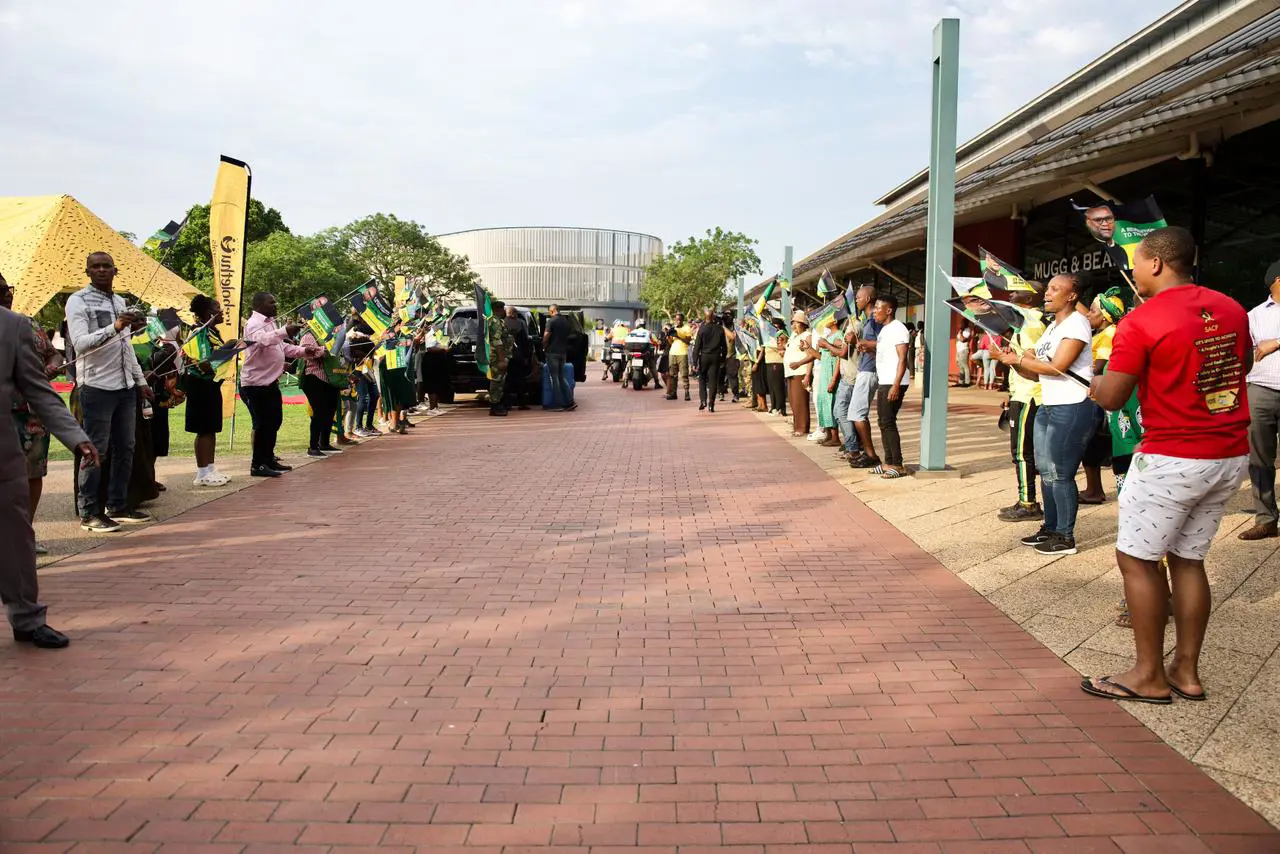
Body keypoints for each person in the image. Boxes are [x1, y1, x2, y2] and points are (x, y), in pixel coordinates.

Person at [1084, 226, 1250, 705]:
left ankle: (1147, 675)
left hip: (1173, 455)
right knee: (1189, 559)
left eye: (1136, 262)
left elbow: (1114, 397)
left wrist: (1094, 382)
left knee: (1136, 561)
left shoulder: (1142, 319)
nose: (1133, 271)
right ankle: (1186, 671)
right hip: (1227, 453)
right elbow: (1234, 368)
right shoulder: (1231, 308)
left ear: (1156, 263)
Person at [3, 298, 100, 648]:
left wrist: (76, 438)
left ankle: (27, 620)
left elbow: (39, 391)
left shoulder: (13, 327)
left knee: (16, 539)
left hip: (5, 454)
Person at [993, 272, 1095, 556]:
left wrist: (1023, 358)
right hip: (1049, 405)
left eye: (1054, 289)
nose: (1047, 293)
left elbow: (1058, 367)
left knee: (1061, 474)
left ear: (1072, 295)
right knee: (1046, 471)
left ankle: (1065, 536)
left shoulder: (1077, 324)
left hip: (1071, 406)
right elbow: (1036, 375)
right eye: (1048, 289)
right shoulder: (1051, 328)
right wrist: (1012, 362)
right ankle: (1050, 528)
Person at [64, 252, 154, 532]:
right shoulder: (77, 301)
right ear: (87, 270)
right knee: (95, 451)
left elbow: (126, 347)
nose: (101, 270)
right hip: (96, 387)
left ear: (116, 270)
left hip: (125, 386)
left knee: (126, 447)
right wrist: (114, 326)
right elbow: (79, 344)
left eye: (106, 266)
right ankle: (89, 511)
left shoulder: (119, 301)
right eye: (96, 266)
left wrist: (140, 381)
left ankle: (117, 504)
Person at [1, 275, 62, 554]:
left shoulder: (29, 324)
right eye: (0, 291)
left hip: (33, 415)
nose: (6, 294)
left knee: (33, 474)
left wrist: (51, 366)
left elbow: (54, 355)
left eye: (8, 289)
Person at [241, 291, 322, 478]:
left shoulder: (271, 323)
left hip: (270, 382)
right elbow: (264, 341)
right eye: (271, 302)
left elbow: (282, 347)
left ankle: (268, 459)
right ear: (259, 305)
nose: (275, 305)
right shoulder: (253, 324)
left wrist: (304, 350)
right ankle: (258, 465)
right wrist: (285, 331)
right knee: (263, 424)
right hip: (255, 384)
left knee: (274, 421)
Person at [996, 286, 1047, 522]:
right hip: (1022, 393)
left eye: (1016, 292)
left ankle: (1028, 503)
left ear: (1029, 297)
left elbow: (1035, 370)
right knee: (1023, 452)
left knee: (1022, 452)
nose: (1010, 295)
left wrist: (1009, 361)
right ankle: (1025, 499)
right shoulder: (1025, 324)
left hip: (1030, 395)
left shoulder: (1031, 325)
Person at [1240, 259, 1280, 541]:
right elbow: (1246, 350)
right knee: (1259, 459)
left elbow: (1264, 346)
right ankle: (1266, 520)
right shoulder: (1253, 315)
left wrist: (1276, 341)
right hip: (1260, 389)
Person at [872, 296, 911, 479]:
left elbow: (903, 358)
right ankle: (887, 462)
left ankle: (897, 464)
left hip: (894, 382)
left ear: (889, 310)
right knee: (883, 422)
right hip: (885, 380)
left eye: (878, 308)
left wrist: (896, 385)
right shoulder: (885, 330)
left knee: (888, 422)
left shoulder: (898, 329)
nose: (874, 310)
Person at [847, 286, 883, 471]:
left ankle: (871, 455)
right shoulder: (868, 321)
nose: (857, 300)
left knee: (857, 413)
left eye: (859, 297)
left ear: (868, 298)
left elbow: (883, 343)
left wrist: (866, 344)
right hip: (864, 368)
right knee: (856, 413)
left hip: (869, 370)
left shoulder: (875, 321)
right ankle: (867, 453)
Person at [298, 326, 343, 457]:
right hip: (314, 377)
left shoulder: (327, 334)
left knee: (330, 410)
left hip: (330, 379)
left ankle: (324, 443)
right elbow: (307, 353)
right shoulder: (309, 335)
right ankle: (313, 446)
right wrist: (326, 350)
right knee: (319, 411)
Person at [541, 304, 577, 411]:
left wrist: (543, 346)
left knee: (554, 378)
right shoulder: (565, 321)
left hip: (552, 352)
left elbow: (546, 335)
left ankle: (558, 405)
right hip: (563, 353)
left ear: (552, 311)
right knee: (562, 377)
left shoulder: (551, 321)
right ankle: (570, 402)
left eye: (549, 312)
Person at [784, 311, 813, 437]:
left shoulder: (807, 335)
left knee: (800, 401)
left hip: (800, 372)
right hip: (790, 372)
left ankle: (802, 427)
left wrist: (807, 374)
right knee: (793, 401)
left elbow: (811, 355)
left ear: (803, 324)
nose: (793, 326)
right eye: (793, 323)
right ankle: (797, 425)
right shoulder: (794, 336)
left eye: (796, 323)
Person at [693, 308, 726, 412]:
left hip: (704, 356)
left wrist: (694, 361)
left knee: (702, 379)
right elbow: (724, 346)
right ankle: (711, 404)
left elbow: (697, 347)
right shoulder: (720, 329)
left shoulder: (702, 329)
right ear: (713, 317)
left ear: (705, 317)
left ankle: (703, 401)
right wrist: (723, 359)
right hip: (716, 356)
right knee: (713, 381)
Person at [486, 300, 513, 416]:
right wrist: (502, 360)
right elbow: (497, 341)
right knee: (496, 381)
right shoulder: (495, 322)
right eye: (503, 309)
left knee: (500, 381)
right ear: (499, 310)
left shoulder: (498, 321)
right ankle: (494, 406)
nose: (504, 311)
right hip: (497, 357)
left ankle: (499, 403)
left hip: (500, 356)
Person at [666, 313, 693, 402]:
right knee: (672, 375)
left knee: (684, 374)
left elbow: (688, 341)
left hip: (682, 353)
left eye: (680, 319)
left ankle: (687, 393)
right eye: (677, 320)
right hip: (672, 353)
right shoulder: (673, 328)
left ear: (683, 320)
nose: (678, 321)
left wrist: (678, 336)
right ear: (675, 320)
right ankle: (673, 393)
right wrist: (668, 336)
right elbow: (670, 343)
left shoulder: (687, 328)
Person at [763, 318, 788, 416]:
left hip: (777, 362)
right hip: (769, 361)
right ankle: (773, 407)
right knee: (772, 387)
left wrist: (770, 343)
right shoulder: (770, 335)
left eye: (774, 325)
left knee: (777, 387)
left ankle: (779, 408)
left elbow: (782, 346)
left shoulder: (782, 334)